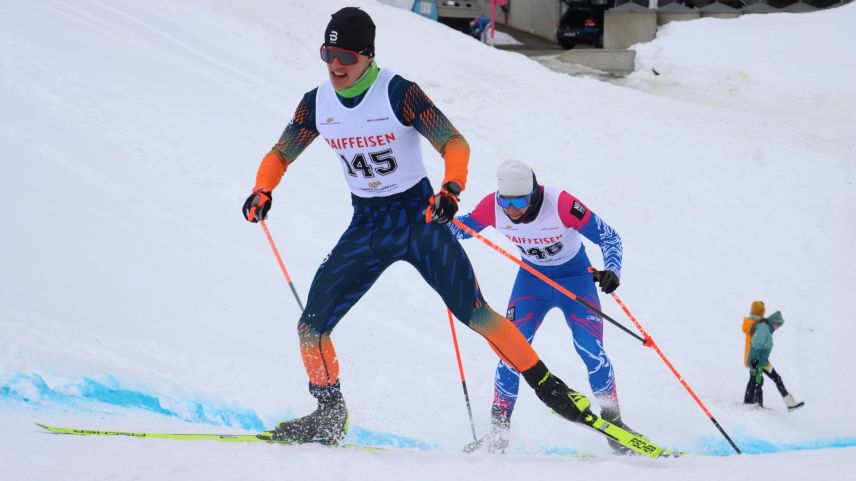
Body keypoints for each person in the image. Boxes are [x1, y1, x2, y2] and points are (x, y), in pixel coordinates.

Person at [242, 7, 605, 446]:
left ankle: (552, 390)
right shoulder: (317, 103)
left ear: (368, 55)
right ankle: (328, 415)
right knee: (310, 328)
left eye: (346, 57)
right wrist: (263, 189)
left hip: (420, 218)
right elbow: (280, 153)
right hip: (368, 226)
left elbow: (454, 142)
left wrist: (451, 189)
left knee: (477, 314)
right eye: (328, 54)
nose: (335, 65)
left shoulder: (399, 93)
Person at [450, 159, 636, 454]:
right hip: (531, 282)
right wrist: (433, 219)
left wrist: (613, 270)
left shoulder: (561, 204)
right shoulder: (491, 207)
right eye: (505, 201)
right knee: (510, 352)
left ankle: (615, 424)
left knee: (591, 350)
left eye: (519, 201)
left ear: (534, 194)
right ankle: (499, 432)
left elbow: (609, 237)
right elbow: (457, 230)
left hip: (575, 278)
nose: (512, 209)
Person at [742, 301, 804, 411]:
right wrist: (754, 360)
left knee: (758, 380)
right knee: (758, 380)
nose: (778, 328)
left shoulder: (763, 327)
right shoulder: (763, 328)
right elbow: (756, 345)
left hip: (761, 360)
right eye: (778, 325)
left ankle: (755, 403)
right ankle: (752, 403)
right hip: (758, 361)